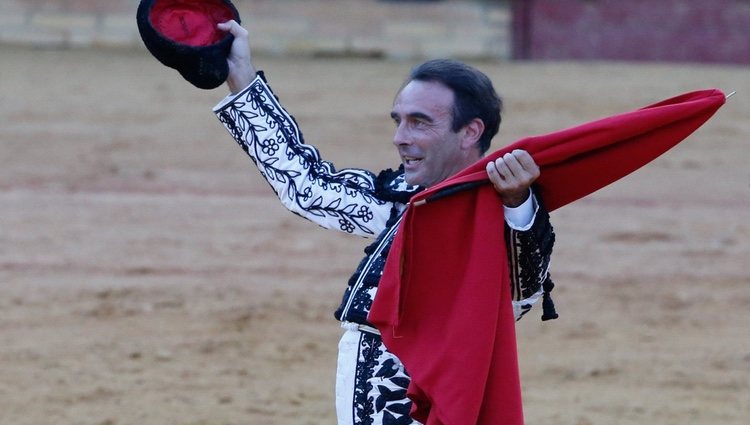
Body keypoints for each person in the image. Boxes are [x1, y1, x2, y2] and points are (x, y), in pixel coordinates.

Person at [212, 20, 555, 425]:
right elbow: (307, 186)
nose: (400, 137)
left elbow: (520, 297)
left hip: (426, 389)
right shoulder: (399, 199)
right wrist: (242, 79)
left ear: (470, 132)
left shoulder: (503, 208)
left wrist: (518, 204)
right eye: (399, 120)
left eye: (420, 122)